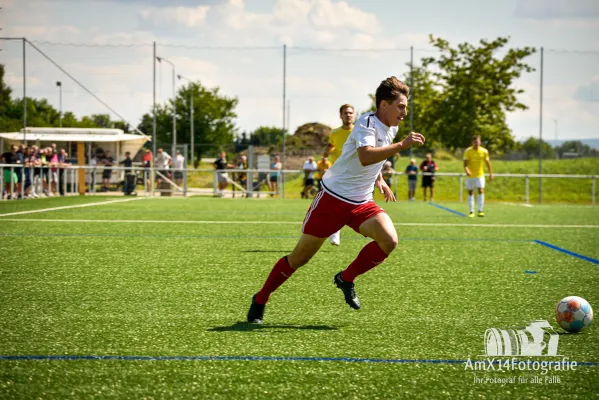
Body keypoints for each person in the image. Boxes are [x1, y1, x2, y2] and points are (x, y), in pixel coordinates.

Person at [247, 76, 425, 324]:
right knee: (299, 258)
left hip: (361, 202)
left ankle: (346, 278)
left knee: (389, 240)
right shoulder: (366, 122)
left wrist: (380, 180)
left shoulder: (392, 127)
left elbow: (372, 162)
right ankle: (261, 298)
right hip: (332, 200)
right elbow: (364, 156)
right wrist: (400, 146)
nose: (405, 112)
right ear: (384, 104)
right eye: (401, 106)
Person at [326, 103, 355, 246]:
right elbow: (332, 146)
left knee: (351, 204)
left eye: (350, 113)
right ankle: (335, 232)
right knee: (335, 203)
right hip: (337, 173)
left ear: (353, 115)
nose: (348, 115)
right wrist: (328, 151)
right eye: (345, 113)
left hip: (355, 173)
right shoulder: (334, 133)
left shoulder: (358, 131)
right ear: (340, 115)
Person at [464, 135, 493, 217]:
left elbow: (488, 163)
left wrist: (491, 173)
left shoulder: (484, 151)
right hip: (470, 176)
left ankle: (480, 210)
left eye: (477, 141)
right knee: (470, 192)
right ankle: (471, 211)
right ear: (472, 142)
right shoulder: (468, 151)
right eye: (474, 142)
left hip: (480, 175)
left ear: (480, 142)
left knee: (481, 190)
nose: (476, 143)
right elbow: (465, 164)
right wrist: (467, 170)